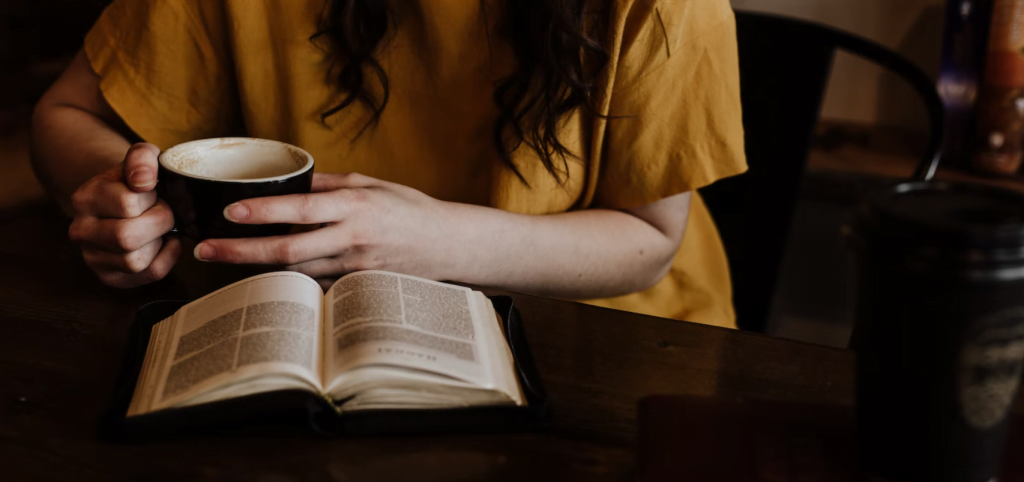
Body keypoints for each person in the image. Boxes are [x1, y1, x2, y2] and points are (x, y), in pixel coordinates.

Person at [31, 0, 746, 328]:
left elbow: (650, 242)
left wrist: (430, 242)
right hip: (283, 325)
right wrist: (118, 195)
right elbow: (65, 117)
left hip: (596, 334)